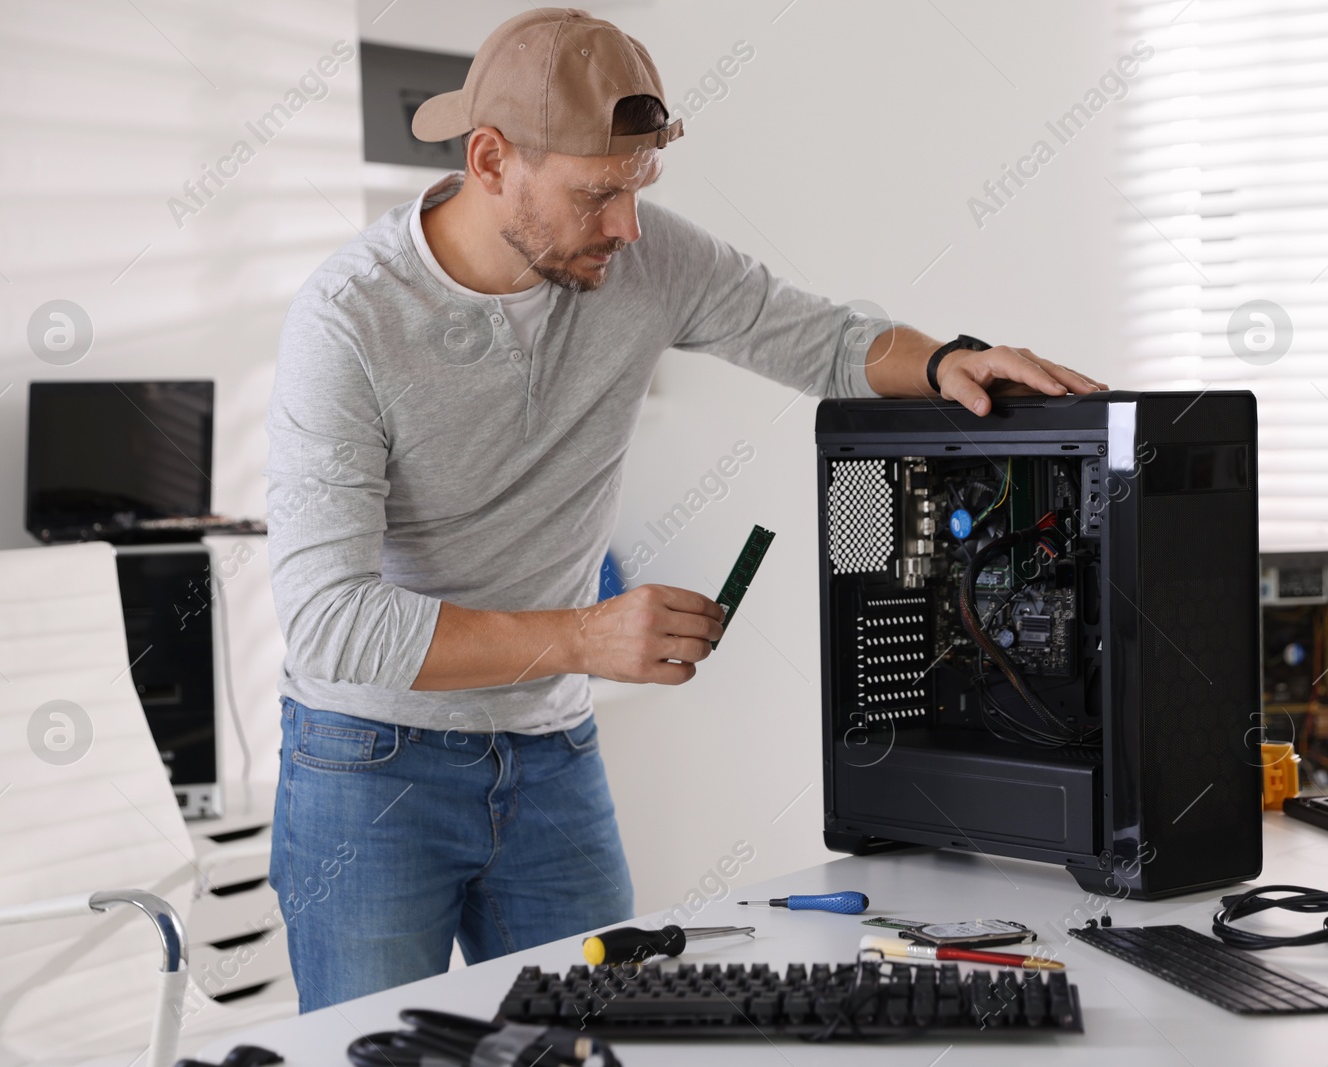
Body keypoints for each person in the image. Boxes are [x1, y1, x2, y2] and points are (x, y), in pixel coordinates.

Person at [265, 7, 1105, 1012]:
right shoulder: (349, 318)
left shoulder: (643, 257)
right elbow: (328, 617)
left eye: (637, 188)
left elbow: (825, 340)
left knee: (602, 1033)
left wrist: (941, 360)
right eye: (597, 193)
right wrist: (584, 633)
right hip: (370, 767)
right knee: (374, 1045)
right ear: (489, 161)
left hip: (552, 752)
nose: (627, 226)